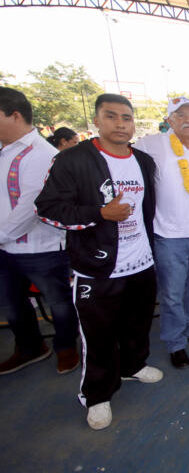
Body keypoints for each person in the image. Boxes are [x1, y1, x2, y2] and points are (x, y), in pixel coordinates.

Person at [35, 93, 163, 430]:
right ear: (96, 120)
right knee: (98, 334)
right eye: (111, 116)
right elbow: (46, 209)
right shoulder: (73, 160)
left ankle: (134, 365)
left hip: (141, 262)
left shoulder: (144, 162)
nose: (120, 124)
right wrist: (100, 214)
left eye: (126, 118)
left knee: (138, 323)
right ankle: (97, 395)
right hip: (96, 266)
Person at [135, 97, 189, 370]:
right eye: (180, 114)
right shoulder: (151, 145)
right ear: (169, 120)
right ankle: (175, 342)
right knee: (172, 293)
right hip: (170, 234)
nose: (188, 119)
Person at [0, 87, 79, 376]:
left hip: (41, 248)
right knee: (11, 303)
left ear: (15, 115)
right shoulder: (5, 151)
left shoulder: (41, 154)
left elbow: (31, 206)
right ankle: (30, 347)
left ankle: (66, 347)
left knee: (58, 302)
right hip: (7, 248)